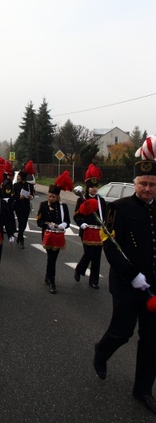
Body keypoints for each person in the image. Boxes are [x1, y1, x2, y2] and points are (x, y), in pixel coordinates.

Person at [93, 156, 156, 415]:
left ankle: (142, 389)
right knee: (123, 332)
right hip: (126, 284)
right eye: (143, 183)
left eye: (153, 184)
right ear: (135, 184)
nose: (148, 188)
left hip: (153, 287)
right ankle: (102, 350)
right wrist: (131, 274)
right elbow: (109, 244)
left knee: (152, 340)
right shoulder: (118, 208)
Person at [36, 171, 72, 294]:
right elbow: (39, 221)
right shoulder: (43, 205)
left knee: (53, 258)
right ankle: (52, 281)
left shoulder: (63, 207)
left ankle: (48, 276)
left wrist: (64, 225)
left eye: (53, 197)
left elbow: (68, 221)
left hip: (58, 236)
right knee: (51, 257)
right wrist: (47, 224)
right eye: (49, 196)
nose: (51, 198)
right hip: (47, 235)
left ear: (57, 197)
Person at [73, 164, 106, 289]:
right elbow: (76, 215)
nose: (94, 189)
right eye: (92, 187)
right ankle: (80, 269)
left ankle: (94, 280)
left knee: (97, 257)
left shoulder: (101, 201)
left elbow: (106, 216)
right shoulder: (82, 200)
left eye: (96, 187)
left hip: (98, 232)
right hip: (86, 231)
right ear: (87, 188)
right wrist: (82, 224)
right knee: (89, 254)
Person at [13, 161, 35, 248]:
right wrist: (19, 197)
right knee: (21, 221)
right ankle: (21, 239)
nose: (18, 177)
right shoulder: (15, 185)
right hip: (18, 206)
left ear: (22, 177)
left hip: (26, 206)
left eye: (19, 176)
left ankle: (19, 236)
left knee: (24, 223)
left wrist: (31, 197)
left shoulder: (29, 185)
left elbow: (33, 194)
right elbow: (13, 195)